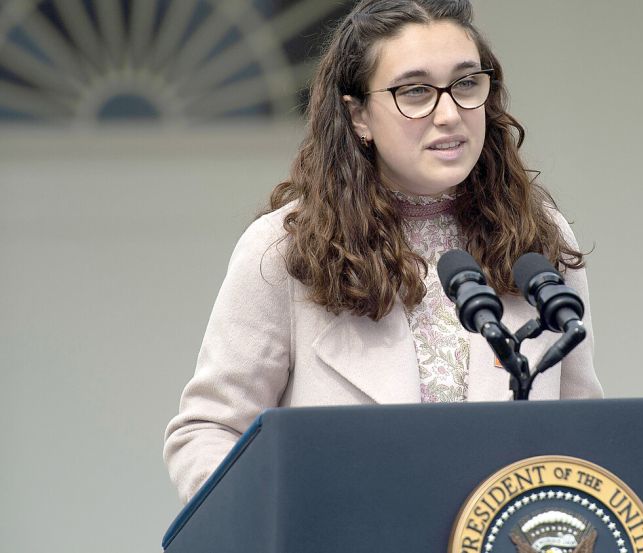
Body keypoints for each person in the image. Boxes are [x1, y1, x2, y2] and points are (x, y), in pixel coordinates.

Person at [163, 0, 603, 504]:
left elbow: (582, 432)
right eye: (415, 92)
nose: (448, 113)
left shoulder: (539, 238)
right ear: (358, 116)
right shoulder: (286, 249)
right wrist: (291, 519)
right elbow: (206, 432)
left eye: (466, 84)